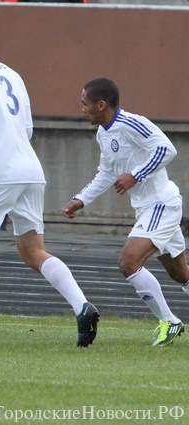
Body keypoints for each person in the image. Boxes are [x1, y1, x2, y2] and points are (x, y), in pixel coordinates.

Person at [0, 18, 99, 346]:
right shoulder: (11, 73)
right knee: (33, 251)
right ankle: (82, 305)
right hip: (29, 169)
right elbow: (23, 128)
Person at [63, 77, 188, 347]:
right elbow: (106, 172)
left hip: (161, 205)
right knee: (181, 275)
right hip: (148, 209)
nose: (82, 109)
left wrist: (136, 175)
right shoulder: (103, 133)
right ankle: (170, 320)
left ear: (101, 104)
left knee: (128, 262)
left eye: (85, 104)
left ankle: (169, 321)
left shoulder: (132, 123)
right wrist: (81, 199)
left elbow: (167, 149)